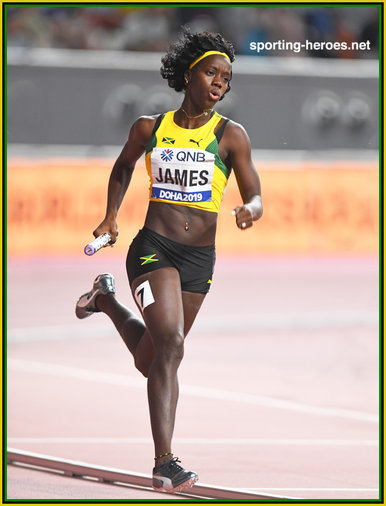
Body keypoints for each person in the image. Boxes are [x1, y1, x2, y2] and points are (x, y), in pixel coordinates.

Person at [75, 28, 263, 494]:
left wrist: (249, 210)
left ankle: (105, 302)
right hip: (152, 248)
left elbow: (255, 193)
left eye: (226, 78)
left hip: (200, 259)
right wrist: (110, 216)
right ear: (188, 75)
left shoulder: (231, 136)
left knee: (154, 358)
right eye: (211, 73)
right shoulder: (151, 127)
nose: (219, 82)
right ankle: (166, 463)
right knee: (173, 344)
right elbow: (122, 167)